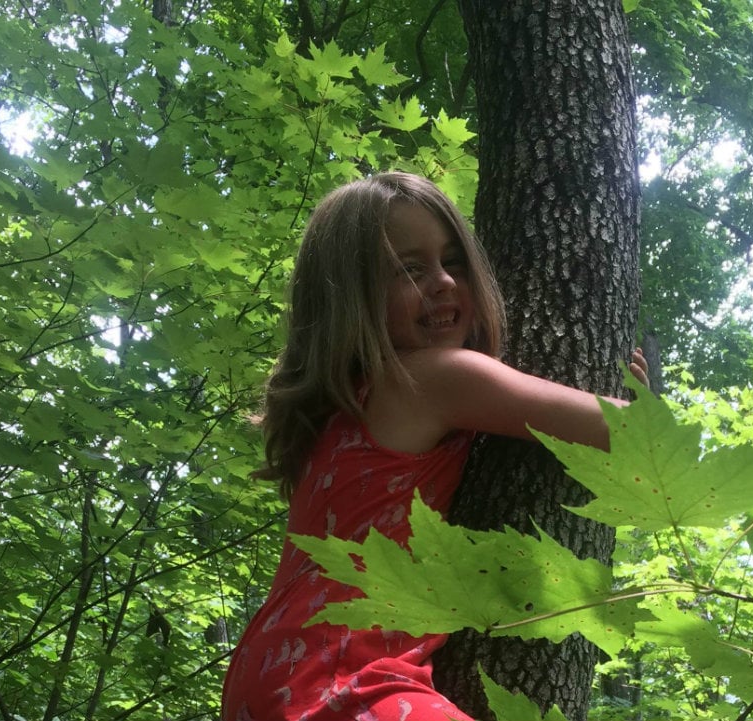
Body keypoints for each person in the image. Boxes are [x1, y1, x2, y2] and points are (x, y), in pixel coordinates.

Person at [221, 171, 649, 721]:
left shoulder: (342, 411)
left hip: (276, 672)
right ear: (350, 296)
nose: (444, 282)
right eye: (410, 269)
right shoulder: (434, 377)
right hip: (343, 679)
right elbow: (625, 434)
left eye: (454, 261)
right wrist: (641, 394)